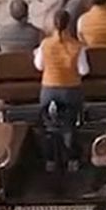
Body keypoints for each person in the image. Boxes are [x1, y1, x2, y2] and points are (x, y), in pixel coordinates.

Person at [33, 9, 88, 171]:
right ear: (69, 25)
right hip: (70, 91)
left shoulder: (45, 44)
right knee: (69, 124)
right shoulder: (77, 46)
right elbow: (84, 70)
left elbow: (39, 66)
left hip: (48, 91)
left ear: (54, 25)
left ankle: (50, 160)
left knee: (48, 125)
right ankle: (72, 159)